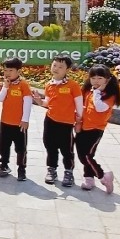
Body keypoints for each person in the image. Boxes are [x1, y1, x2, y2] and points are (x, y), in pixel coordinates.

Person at [31, 56, 83, 187]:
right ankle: (51, 169)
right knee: (50, 146)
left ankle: (68, 172)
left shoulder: (73, 86)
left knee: (67, 149)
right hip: (50, 121)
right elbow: (47, 103)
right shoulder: (49, 85)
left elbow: (79, 104)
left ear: (67, 69)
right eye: (54, 65)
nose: (56, 69)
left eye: (61, 67)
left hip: (66, 123)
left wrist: (79, 120)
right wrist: (38, 101)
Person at [77, 65, 120, 193]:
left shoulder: (110, 95)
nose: (96, 81)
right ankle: (89, 178)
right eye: (93, 77)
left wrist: (96, 92)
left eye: (100, 78)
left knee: (88, 155)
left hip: (96, 129)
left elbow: (100, 108)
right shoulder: (87, 90)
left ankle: (103, 176)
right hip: (83, 127)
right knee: (81, 155)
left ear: (107, 79)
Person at [0, 58, 32, 181]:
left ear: (18, 71)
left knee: (20, 148)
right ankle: (4, 165)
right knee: (3, 146)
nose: (7, 73)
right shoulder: (6, 83)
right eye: (5, 70)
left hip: (19, 124)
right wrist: (5, 87)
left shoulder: (23, 84)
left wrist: (25, 119)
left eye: (10, 70)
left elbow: (27, 101)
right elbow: (0, 99)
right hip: (5, 121)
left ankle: (21, 169)